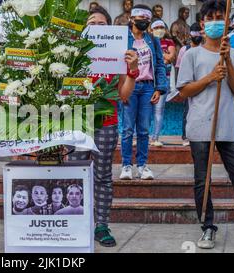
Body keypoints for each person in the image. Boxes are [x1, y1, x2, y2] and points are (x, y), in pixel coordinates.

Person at [176, 0, 234, 252]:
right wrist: (209, 77)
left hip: (229, 127)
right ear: (203, 23)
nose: (215, 21)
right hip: (200, 126)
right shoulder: (192, 54)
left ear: (227, 24)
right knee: (202, 180)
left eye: (220, 17)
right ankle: (207, 227)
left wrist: (226, 63)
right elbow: (185, 90)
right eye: (211, 17)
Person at [68, 5, 138, 247]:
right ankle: (75, 223)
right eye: (91, 23)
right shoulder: (71, 52)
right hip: (76, 122)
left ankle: (101, 225)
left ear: (109, 28)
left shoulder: (118, 54)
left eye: (101, 24)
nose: (95, 27)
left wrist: (132, 71)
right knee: (74, 173)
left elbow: (124, 95)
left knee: (102, 176)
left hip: (106, 123)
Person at [119, 4, 167, 181]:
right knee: (127, 129)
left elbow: (160, 64)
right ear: (132, 19)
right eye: (140, 20)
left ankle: (142, 165)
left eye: (146, 20)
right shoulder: (123, 39)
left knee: (144, 130)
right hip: (129, 87)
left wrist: (159, 88)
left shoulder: (153, 40)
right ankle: (126, 165)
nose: (143, 23)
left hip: (147, 87)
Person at [175, 23, 203, 147]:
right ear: (190, 34)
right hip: (188, 86)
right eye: (194, 33)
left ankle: (200, 136)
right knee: (187, 111)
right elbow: (178, 68)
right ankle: (185, 136)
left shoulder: (205, 48)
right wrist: (179, 86)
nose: (196, 35)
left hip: (203, 84)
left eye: (199, 32)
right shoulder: (184, 50)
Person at [150, 19, 176, 147]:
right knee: (143, 111)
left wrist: (157, 56)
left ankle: (155, 138)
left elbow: (170, 58)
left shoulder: (169, 42)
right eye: (156, 27)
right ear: (151, 29)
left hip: (163, 79)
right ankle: (138, 137)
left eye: (161, 27)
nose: (159, 29)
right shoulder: (148, 41)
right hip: (148, 79)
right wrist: (163, 55)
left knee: (159, 111)